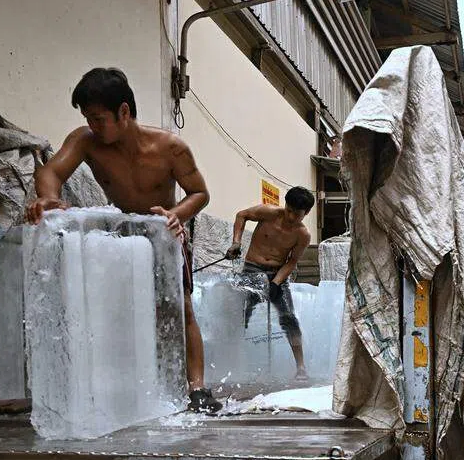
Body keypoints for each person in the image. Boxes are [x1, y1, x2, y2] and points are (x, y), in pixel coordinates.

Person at [25, 67, 222, 413]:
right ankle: (124, 383)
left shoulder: (170, 148)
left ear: (125, 112)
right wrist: (48, 198)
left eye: (99, 119)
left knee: (180, 309)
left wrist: (177, 214)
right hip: (122, 234)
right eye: (88, 118)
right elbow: (51, 171)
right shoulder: (86, 141)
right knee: (120, 309)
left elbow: (200, 193)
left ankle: (197, 388)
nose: (93, 126)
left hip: (163, 231)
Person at [225, 187, 315, 380]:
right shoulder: (269, 213)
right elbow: (242, 215)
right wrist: (236, 243)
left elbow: (291, 262)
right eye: (289, 210)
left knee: (289, 317)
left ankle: (300, 367)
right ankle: (232, 360)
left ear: (306, 213)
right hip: (252, 269)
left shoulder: (302, 235)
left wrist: (275, 283)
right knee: (241, 314)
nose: (291, 217)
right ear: (285, 205)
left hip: (277, 273)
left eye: (297, 214)